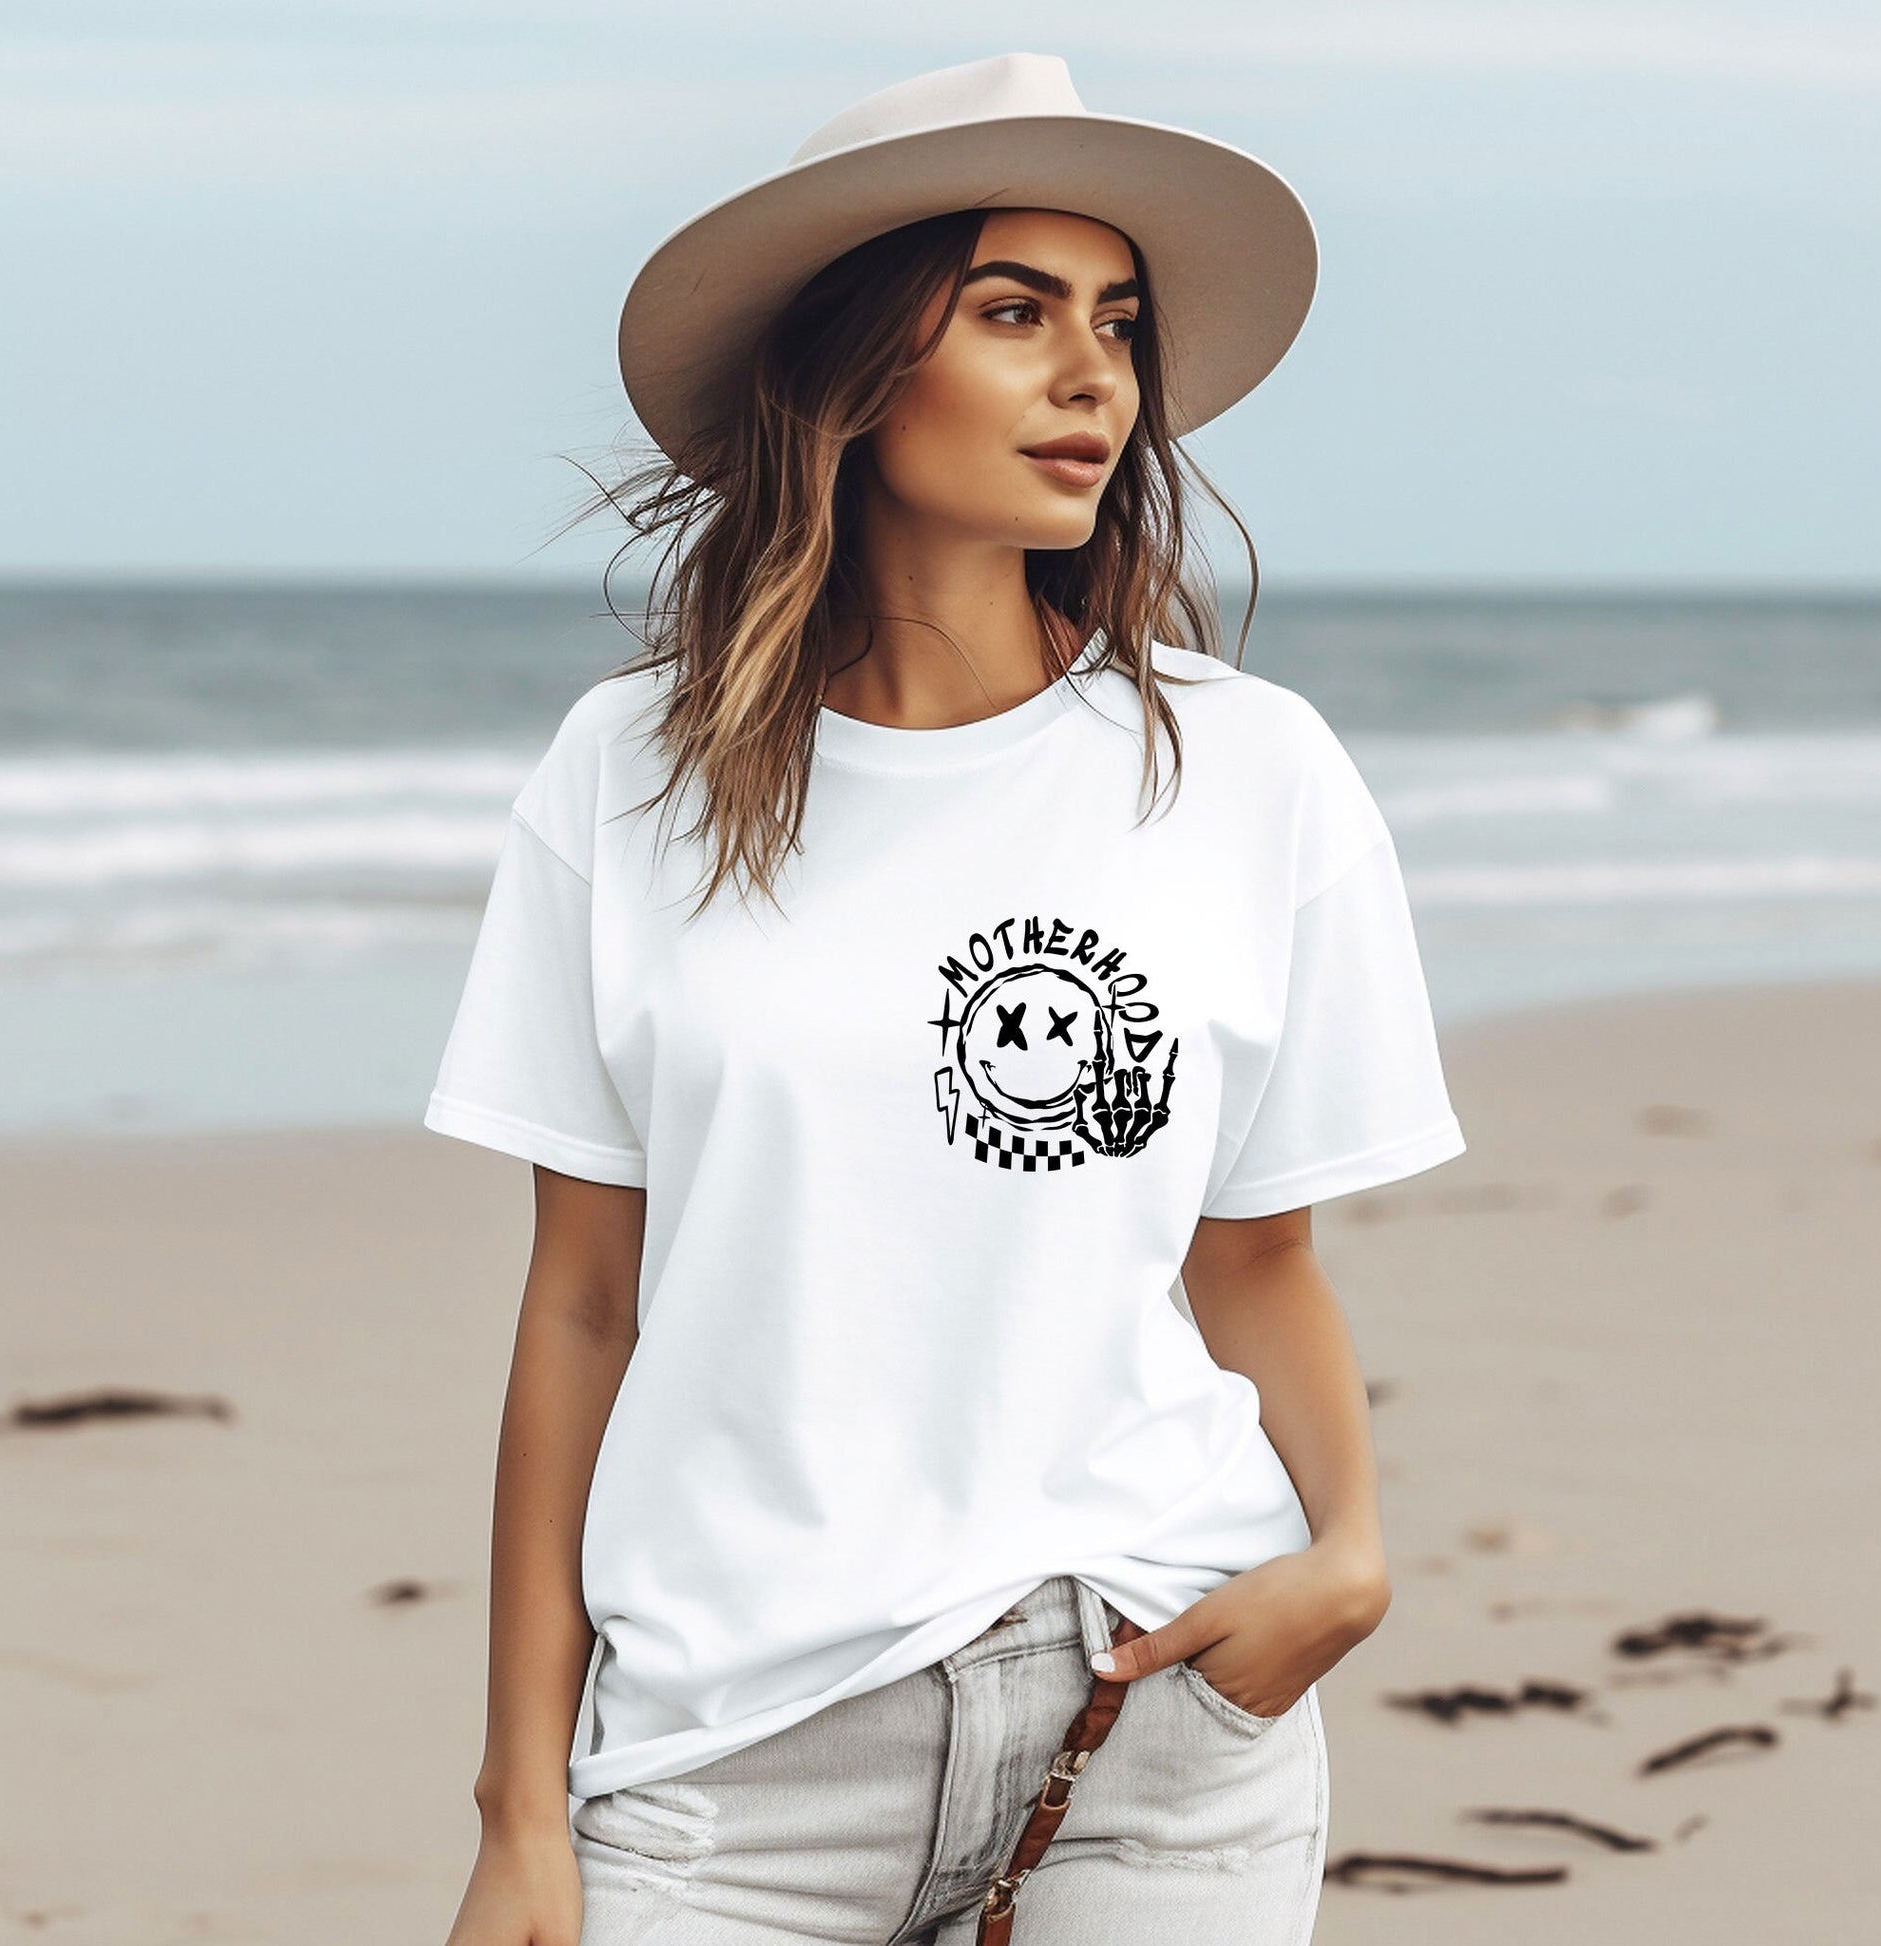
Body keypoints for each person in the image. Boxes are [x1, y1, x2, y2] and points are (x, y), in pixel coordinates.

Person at [425, 52, 1466, 1946]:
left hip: (1151, 1715)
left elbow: (1256, 1259)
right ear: (851, 369)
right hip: (728, 1755)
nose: (1093, 376)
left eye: (1118, 324)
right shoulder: (627, 775)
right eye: (1011, 311)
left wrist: (1351, 1556)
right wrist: (520, 1810)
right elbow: (581, 1301)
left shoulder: (1248, 772)